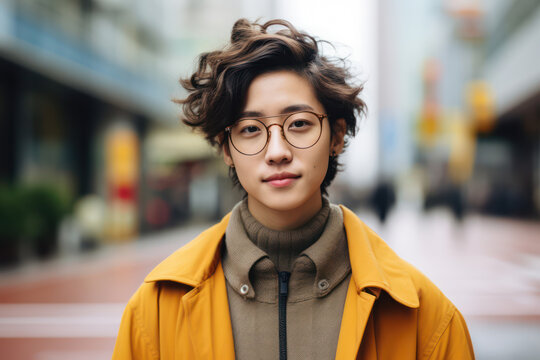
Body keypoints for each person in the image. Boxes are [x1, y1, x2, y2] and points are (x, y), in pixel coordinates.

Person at [112, 19, 475, 360]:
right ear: (226, 149)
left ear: (336, 135)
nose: (278, 152)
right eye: (251, 129)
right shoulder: (156, 310)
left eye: (299, 123)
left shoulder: (422, 315)